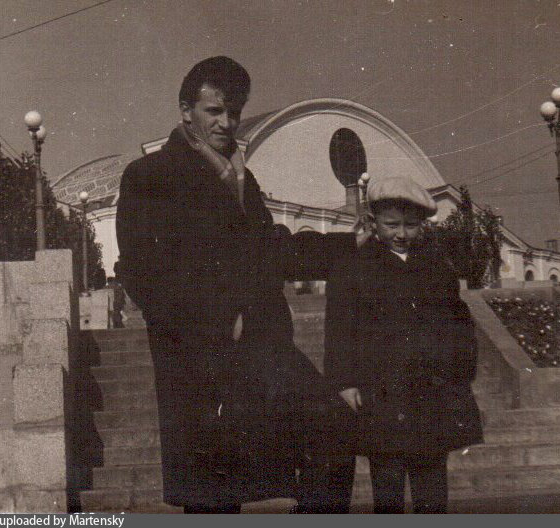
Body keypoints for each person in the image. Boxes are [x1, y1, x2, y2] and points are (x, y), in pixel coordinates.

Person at [116, 56, 358, 513]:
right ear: (186, 110)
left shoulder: (243, 180)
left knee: (334, 428)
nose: (226, 123)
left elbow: (276, 251)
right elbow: (143, 272)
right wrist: (216, 321)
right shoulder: (150, 175)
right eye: (214, 111)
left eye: (234, 112)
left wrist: (352, 245)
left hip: (265, 350)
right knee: (215, 496)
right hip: (200, 363)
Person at [324, 176, 483, 514]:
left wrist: (460, 371)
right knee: (388, 478)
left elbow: (459, 323)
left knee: (432, 481)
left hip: (430, 391)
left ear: (422, 224)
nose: (401, 233)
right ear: (373, 222)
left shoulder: (436, 267)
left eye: (411, 225)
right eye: (391, 224)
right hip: (381, 390)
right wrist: (345, 381)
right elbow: (339, 329)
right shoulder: (354, 267)